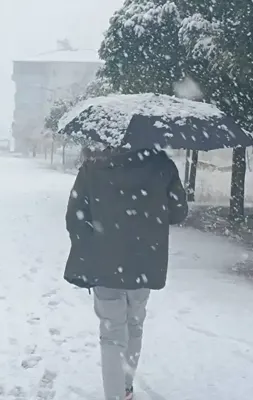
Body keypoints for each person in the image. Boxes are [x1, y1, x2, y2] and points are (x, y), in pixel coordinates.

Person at [64, 146, 188, 400]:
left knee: (111, 333)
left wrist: (93, 238)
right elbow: (178, 212)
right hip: (145, 261)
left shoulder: (93, 166)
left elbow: (74, 217)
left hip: (104, 263)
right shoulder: (161, 165)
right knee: (134, 325)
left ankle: (115, 395)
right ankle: (126, 388)